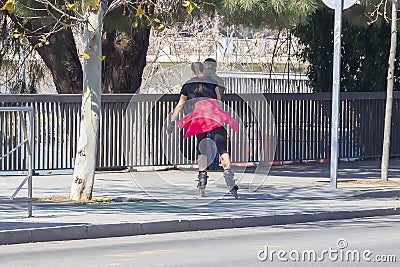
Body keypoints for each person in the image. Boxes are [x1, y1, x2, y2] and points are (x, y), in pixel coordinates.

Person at [167, 62, 239, 198]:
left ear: (192, 72)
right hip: (215, 117)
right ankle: (230, 180)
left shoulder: (188, 85)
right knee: (222, 148)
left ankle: (202, 182)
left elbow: (180, 105)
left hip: (200, 119)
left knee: (202, 149)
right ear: (204, 70)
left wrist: (172, 122)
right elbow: (219, 101)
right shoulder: (212, 82)